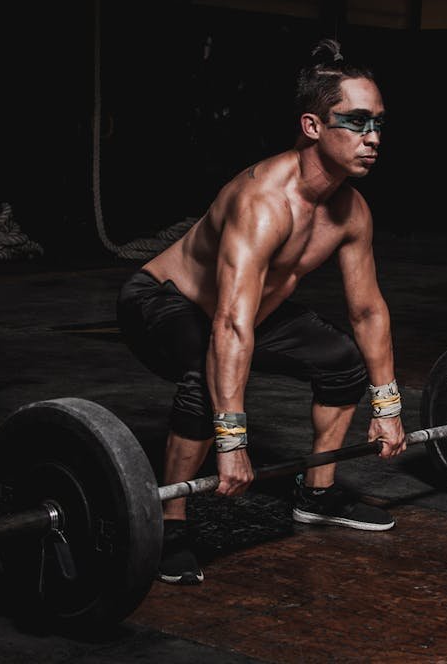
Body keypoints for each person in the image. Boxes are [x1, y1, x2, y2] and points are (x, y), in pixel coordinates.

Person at [117, 38, 406, 585]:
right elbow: (228, 323)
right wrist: (233, 440)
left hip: (248, 310)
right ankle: (171, 522)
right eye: (357, 121)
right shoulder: (264, 204)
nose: (372, 138)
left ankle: (316, 493)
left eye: (379, 124)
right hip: (162, 302)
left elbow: (367, 312)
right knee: (207, 383)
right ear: (313, 126)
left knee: (342, 363)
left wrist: (387, 403)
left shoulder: (351, 212)